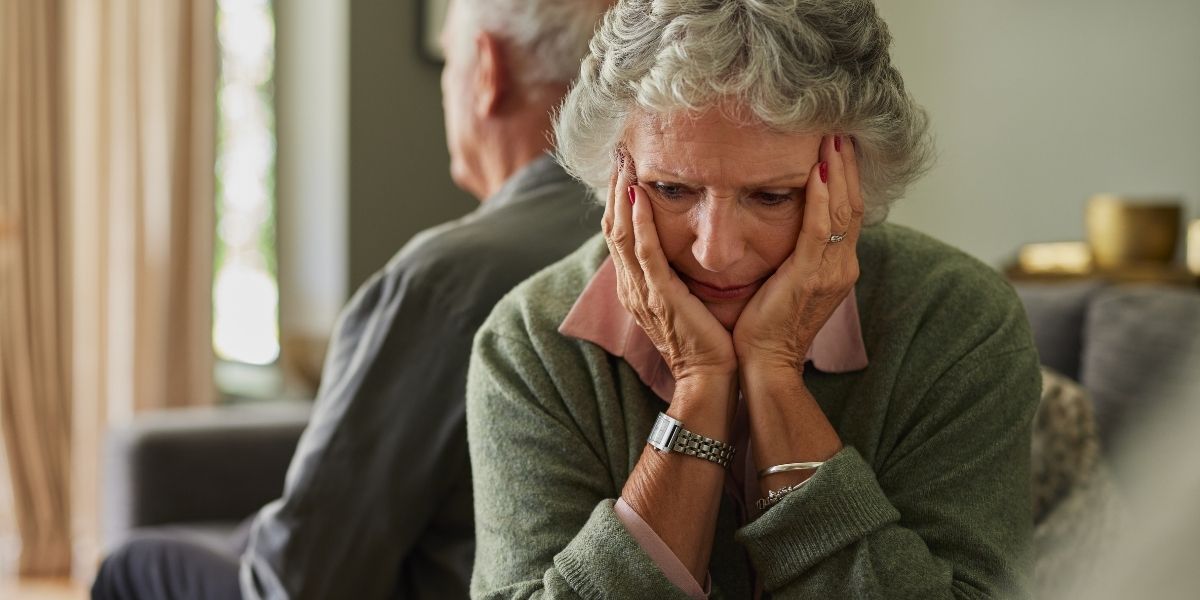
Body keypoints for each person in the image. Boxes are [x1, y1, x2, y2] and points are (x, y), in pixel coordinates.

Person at [465, 0, 1042, 598]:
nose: (716, 251)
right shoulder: (531, 341)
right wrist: (700, 385)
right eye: (671, 189)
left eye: (771, 197)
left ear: (857, 178)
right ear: (617, 177)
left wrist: (774, 375)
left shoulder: (957, 319)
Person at [91, 0, 610, 598]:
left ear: (487, 71)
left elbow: (302, 580)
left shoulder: (444, 284)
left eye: (449, 64)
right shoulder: (649, 243)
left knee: (133, 565)